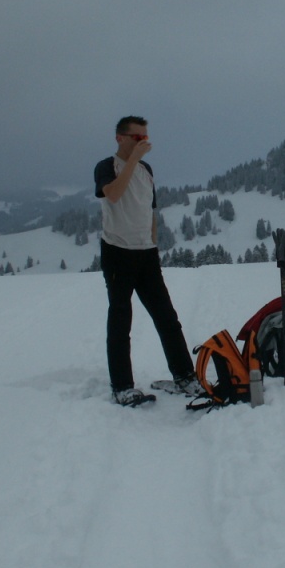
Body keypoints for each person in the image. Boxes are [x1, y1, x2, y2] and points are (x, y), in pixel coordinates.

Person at [93, 116, 202, 406]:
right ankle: (122, 387)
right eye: (137, 137)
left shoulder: (146, 170)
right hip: (117, 252)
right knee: (121, 320)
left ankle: (185, 377)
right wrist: (132, 160)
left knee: (167, 318)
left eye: (145, 137)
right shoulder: (107, 167)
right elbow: (113, 195)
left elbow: (149, 210)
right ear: (120, 138)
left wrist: (152, 243)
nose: (144, 142)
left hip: (146, 253)